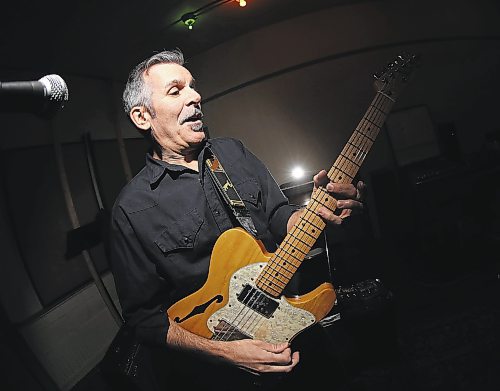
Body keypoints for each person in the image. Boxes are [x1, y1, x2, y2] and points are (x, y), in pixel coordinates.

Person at [108, 49, 366, 391]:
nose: (196, 96)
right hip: (216, 366)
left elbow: (277, 216)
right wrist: (226, 353)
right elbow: (143, 317)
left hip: (294, 324)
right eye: (176, 90)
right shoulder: (131, 208)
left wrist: (315, 213)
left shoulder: (233, 153)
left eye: (193, 87)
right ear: (143, 117)